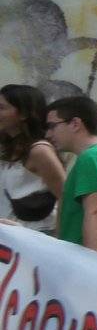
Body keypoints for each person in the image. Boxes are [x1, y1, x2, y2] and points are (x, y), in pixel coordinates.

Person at [45, 96, 97, 251]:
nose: (48, 135)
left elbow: (95, 211)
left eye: (52, 126)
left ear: (75, 124)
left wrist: (92, 264)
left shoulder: (91, 158)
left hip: (88, 262)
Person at [0, 84, 64, 232]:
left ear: (23, 114)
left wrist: (58, 241)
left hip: (32, 237)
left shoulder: (40, 151)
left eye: (2, 108)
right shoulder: (6, 146)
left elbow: (65, 196)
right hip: (7, 237)